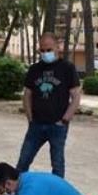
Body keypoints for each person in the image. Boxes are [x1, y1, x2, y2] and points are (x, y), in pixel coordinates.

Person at [17, 32, 81, 178]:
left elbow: (76, 96)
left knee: (57, 165)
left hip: (57, 126)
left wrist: (64, 120)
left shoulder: (67, 68)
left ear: (57, 47)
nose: (46, 53)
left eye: (49, 49)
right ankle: (16, 193)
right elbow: (27, 95)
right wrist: (30, 118)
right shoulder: (34, 69)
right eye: (42, 50)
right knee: (23, 162)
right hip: (36, 125)